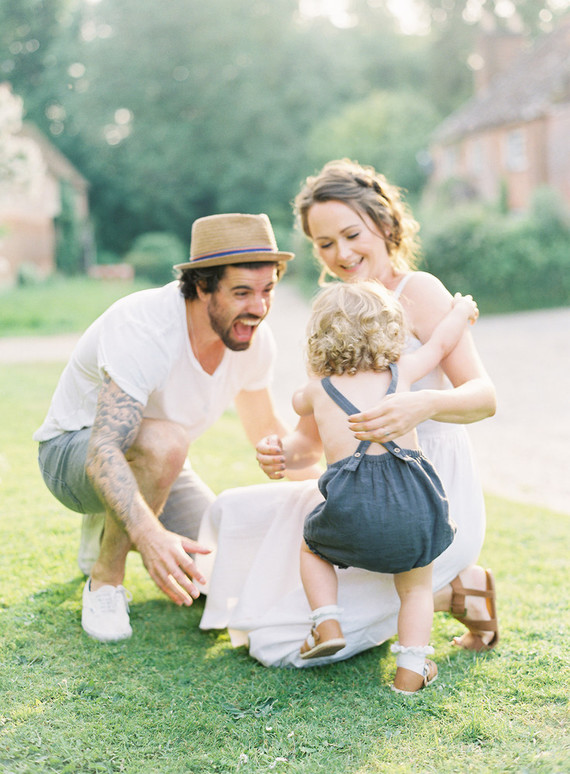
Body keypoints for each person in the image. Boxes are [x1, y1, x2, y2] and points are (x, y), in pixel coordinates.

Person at [196, 159, 498, 667]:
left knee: (280, 646)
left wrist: (421, 405)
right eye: (324, 243)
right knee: (245, 522)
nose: (341, 253)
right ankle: (439, 594)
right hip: (359, 491)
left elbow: (485, 396)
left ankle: (462, 587)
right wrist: (283, 450)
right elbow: (312, 438)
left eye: (351, 234)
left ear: (383, 223)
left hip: (429, 492)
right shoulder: (335, 312)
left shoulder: (418, 291)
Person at [33, 212, 296, 643]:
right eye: (242, 292)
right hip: (72, 456)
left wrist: (334, 496)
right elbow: (103, 449)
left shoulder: (252, 340)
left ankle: (109, 524)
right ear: (201, 285)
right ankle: (105, 581)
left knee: (222, 573)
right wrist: (149, 534)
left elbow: (266, 429)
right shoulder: (145, 326)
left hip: (159, 464)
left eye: (268, 290)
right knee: (168, 443)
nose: (259, 308)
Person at [278, 281, 477, 693]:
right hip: (413, 506)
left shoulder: (317, 390)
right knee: (416, 587)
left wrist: (317, 377)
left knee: (312, 549)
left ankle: (326, 621)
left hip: (351, 510)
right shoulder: (400, 372)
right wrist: (459, 314)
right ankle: (411, 668)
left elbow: (298, 404)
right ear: (390, 330)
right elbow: (439, 346)